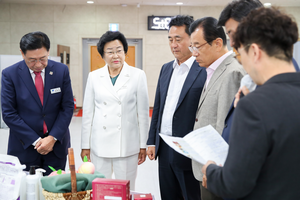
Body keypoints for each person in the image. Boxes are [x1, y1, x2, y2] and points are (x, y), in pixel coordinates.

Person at [202, 7, 300, 200]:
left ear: (254, 52)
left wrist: (211, 171)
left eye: (241, 55)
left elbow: (234, 185)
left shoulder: (254, 106)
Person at [147, 15, 207, 200]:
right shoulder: (166, 69)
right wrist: (151, 140)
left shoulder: (203, 69)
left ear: (191, 40)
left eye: (178, 39)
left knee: (191, 195)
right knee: (168, 195)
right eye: (170, 39)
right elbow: (158, 107)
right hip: (164, 148)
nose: (173, 44)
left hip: (189, 150)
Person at [81, 31, 149, 190]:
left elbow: (143, 114)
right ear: (102, 55)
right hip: (100, 144)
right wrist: (85, 145)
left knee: (126, 189)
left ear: (125, 52)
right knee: (100, 189)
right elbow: (88, 114)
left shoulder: (137, 75)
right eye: (110, 52)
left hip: (126, 144)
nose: (115, 55)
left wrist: (143, 145)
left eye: (119, 50)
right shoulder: (94, 76)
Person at [1, 31, 74, 175]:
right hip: (25, 146)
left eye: (43, 58)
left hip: (56, 146)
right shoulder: (10, 74)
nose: (38, 64)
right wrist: (36, 141)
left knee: (55, 191)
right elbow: (9, 114)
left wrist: (52, 138)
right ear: (22, 54)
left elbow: (67, 107)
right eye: (32, 60)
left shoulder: (61, 71)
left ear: (48, 51)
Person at [189, 17, 246, 200]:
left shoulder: (232, 72)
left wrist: (216, 170)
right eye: (192, 47)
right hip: (207, 165)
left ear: (217, 43)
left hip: (217, 170)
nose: (193, 53)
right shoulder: (211, 70)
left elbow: (226, 129)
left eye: (197, 46)